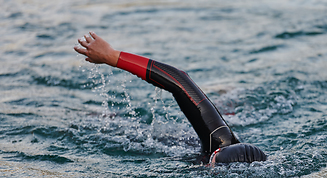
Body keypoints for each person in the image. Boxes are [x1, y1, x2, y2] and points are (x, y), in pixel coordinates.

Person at [74, 32, 267, 165]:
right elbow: (180, 82)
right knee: (115, 131)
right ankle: (230, 98)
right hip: (181, 141)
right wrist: (112, 56)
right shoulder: (220, 140)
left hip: (187, 151)